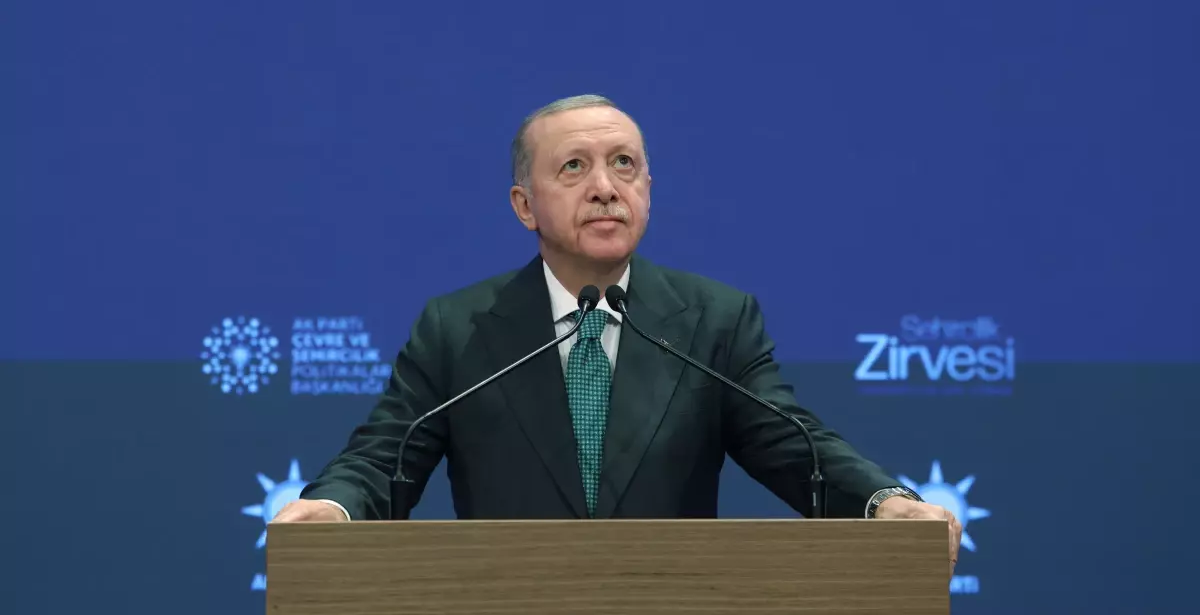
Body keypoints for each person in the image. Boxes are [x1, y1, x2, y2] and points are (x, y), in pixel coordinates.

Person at [275, 94, 962, 567]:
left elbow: (796, 448)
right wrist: (332, 509)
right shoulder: (457, 329)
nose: (605, 187)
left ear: (648, 192)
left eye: (624, 164)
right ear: (524, 205)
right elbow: (383, 458)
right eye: (574, 167)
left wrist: (884, 503)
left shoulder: (714, 321)